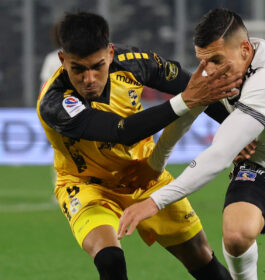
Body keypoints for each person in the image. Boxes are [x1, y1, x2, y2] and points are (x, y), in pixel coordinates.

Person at [118, 8, 265, 280]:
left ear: (243, 49)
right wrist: (155, 165)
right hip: (264, 165)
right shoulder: (228, 65)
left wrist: (154, 202)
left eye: (216, 60)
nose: (210, 71)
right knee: (237, 235)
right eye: (204, 62)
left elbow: (218, 154)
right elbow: (187, 114)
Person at [37, 11, 244, 280]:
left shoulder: (133, 62)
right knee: (110, 258)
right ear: (63, 60)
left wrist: (240, 133)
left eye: (97, 66)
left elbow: (197, 88)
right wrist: (184, 101)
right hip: (87, 185)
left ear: (110, 53)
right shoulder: (54, 101)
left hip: (144, 174)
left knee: (201, 257)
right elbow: (120, 132)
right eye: (78, 69)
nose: (89, 79)